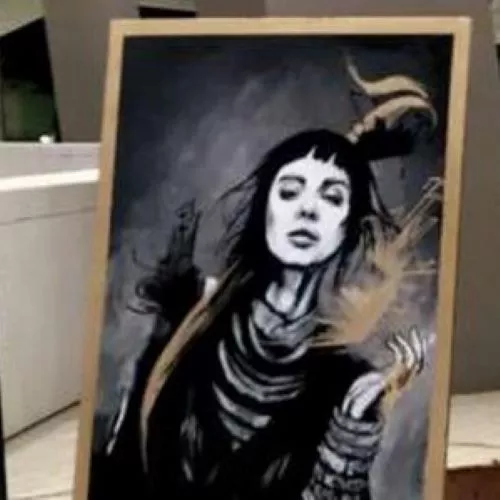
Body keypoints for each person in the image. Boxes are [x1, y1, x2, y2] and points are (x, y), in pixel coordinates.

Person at [89, 127, 428, 500]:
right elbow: (122, 467)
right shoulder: (189, 321)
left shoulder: (343, 378)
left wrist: (349, 437)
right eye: (289, 192)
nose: (308, 209)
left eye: (332, 197)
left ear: (349, 226)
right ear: (263, 209)